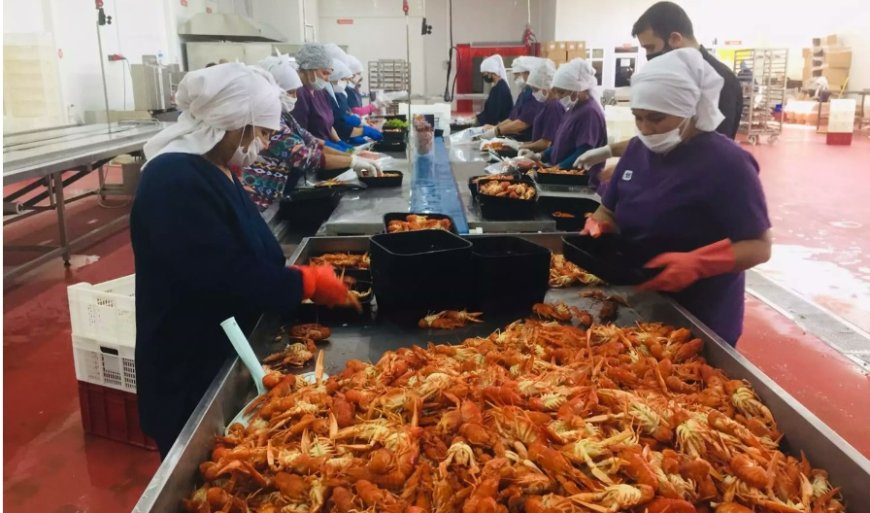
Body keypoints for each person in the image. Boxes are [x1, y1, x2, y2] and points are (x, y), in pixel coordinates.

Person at [132, 63, 352, 458]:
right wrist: (304, 282)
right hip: (189, 370)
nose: (265, 145)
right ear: (232, 124)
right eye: (262, 133)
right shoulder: (173, 180)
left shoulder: (218, 169)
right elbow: (220, 277)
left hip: (226, 352)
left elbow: (244, 252)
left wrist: (291, 280)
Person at [582, 48, 772, 346]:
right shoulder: (636, 150)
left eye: (656, 119)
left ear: (689, 109)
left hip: (700, 315)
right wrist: (599, 225)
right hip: (637, 301)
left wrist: (697, 263)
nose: (645, 129)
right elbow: (609, 210)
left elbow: (759, 246)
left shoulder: (728, 164)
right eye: (638, 117)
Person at [574, 1, 743, 170]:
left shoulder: (719, 80)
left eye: (650, 47)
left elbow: (709, 151)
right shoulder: (671, 72)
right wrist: (610, 151)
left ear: (675, 39)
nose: (648, 55)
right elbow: (657, 136)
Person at [242, 55, 383, 211]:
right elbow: (304, 156)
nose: (295, 97)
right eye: (291, 92)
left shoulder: (284, 116)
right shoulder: (269, 122)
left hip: (278, 192)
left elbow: (312, 141)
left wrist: (350, 154)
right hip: (259, 198)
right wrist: (353, 162)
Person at [519, 59, 607, 188]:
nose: (558, 96)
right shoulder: (573, 109)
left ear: (578, 89)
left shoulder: (589, 112)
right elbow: (560, 143)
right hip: (563, 176)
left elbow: (583, 153)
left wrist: (555, 169)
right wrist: (540, 156)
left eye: (562, 92)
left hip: (579, 182)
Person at [481, 57, 553, 141]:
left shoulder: (535, 94)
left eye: (517, 75)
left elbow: (522, 123)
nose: (515, 79)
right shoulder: (524, 93)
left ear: (528, 73)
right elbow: (512, 118)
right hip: (520, 139)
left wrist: (497, 131)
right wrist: (496, 128)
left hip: (527, 139)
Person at [291, 43, 346, 150]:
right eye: (325, 73)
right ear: (308, 68)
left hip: (327, 150)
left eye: (329, 74)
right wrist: (328, 147)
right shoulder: (298, 94)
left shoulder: (320, 91)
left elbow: (327, 125)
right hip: (312, 153)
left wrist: (338, 141)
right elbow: (301, 136)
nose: (327, 79)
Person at [327, 58, 382, 145]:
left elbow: (347, 112)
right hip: (334, 139)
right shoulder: (331, 94)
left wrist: (358, 121)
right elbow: (336, 125)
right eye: (343, 79)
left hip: (344, 136)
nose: (359, 77)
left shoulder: (341, 92)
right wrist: (363, 130)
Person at [517, 61, 561, 155]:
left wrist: (520, 147)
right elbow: (538, 139)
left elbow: (546, 143)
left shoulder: (553, 107)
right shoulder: (546, 104)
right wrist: (521, 144)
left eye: (535, 89)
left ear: (546, 88)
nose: (533, 93)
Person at [476, 54, 514, 126]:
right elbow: (489, 111)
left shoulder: (500, 89)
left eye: (484, 74)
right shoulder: (496, 88)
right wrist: (477, 117)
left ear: (491, 73)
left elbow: (493, 116)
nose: (484, 77)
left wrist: (478, 119)